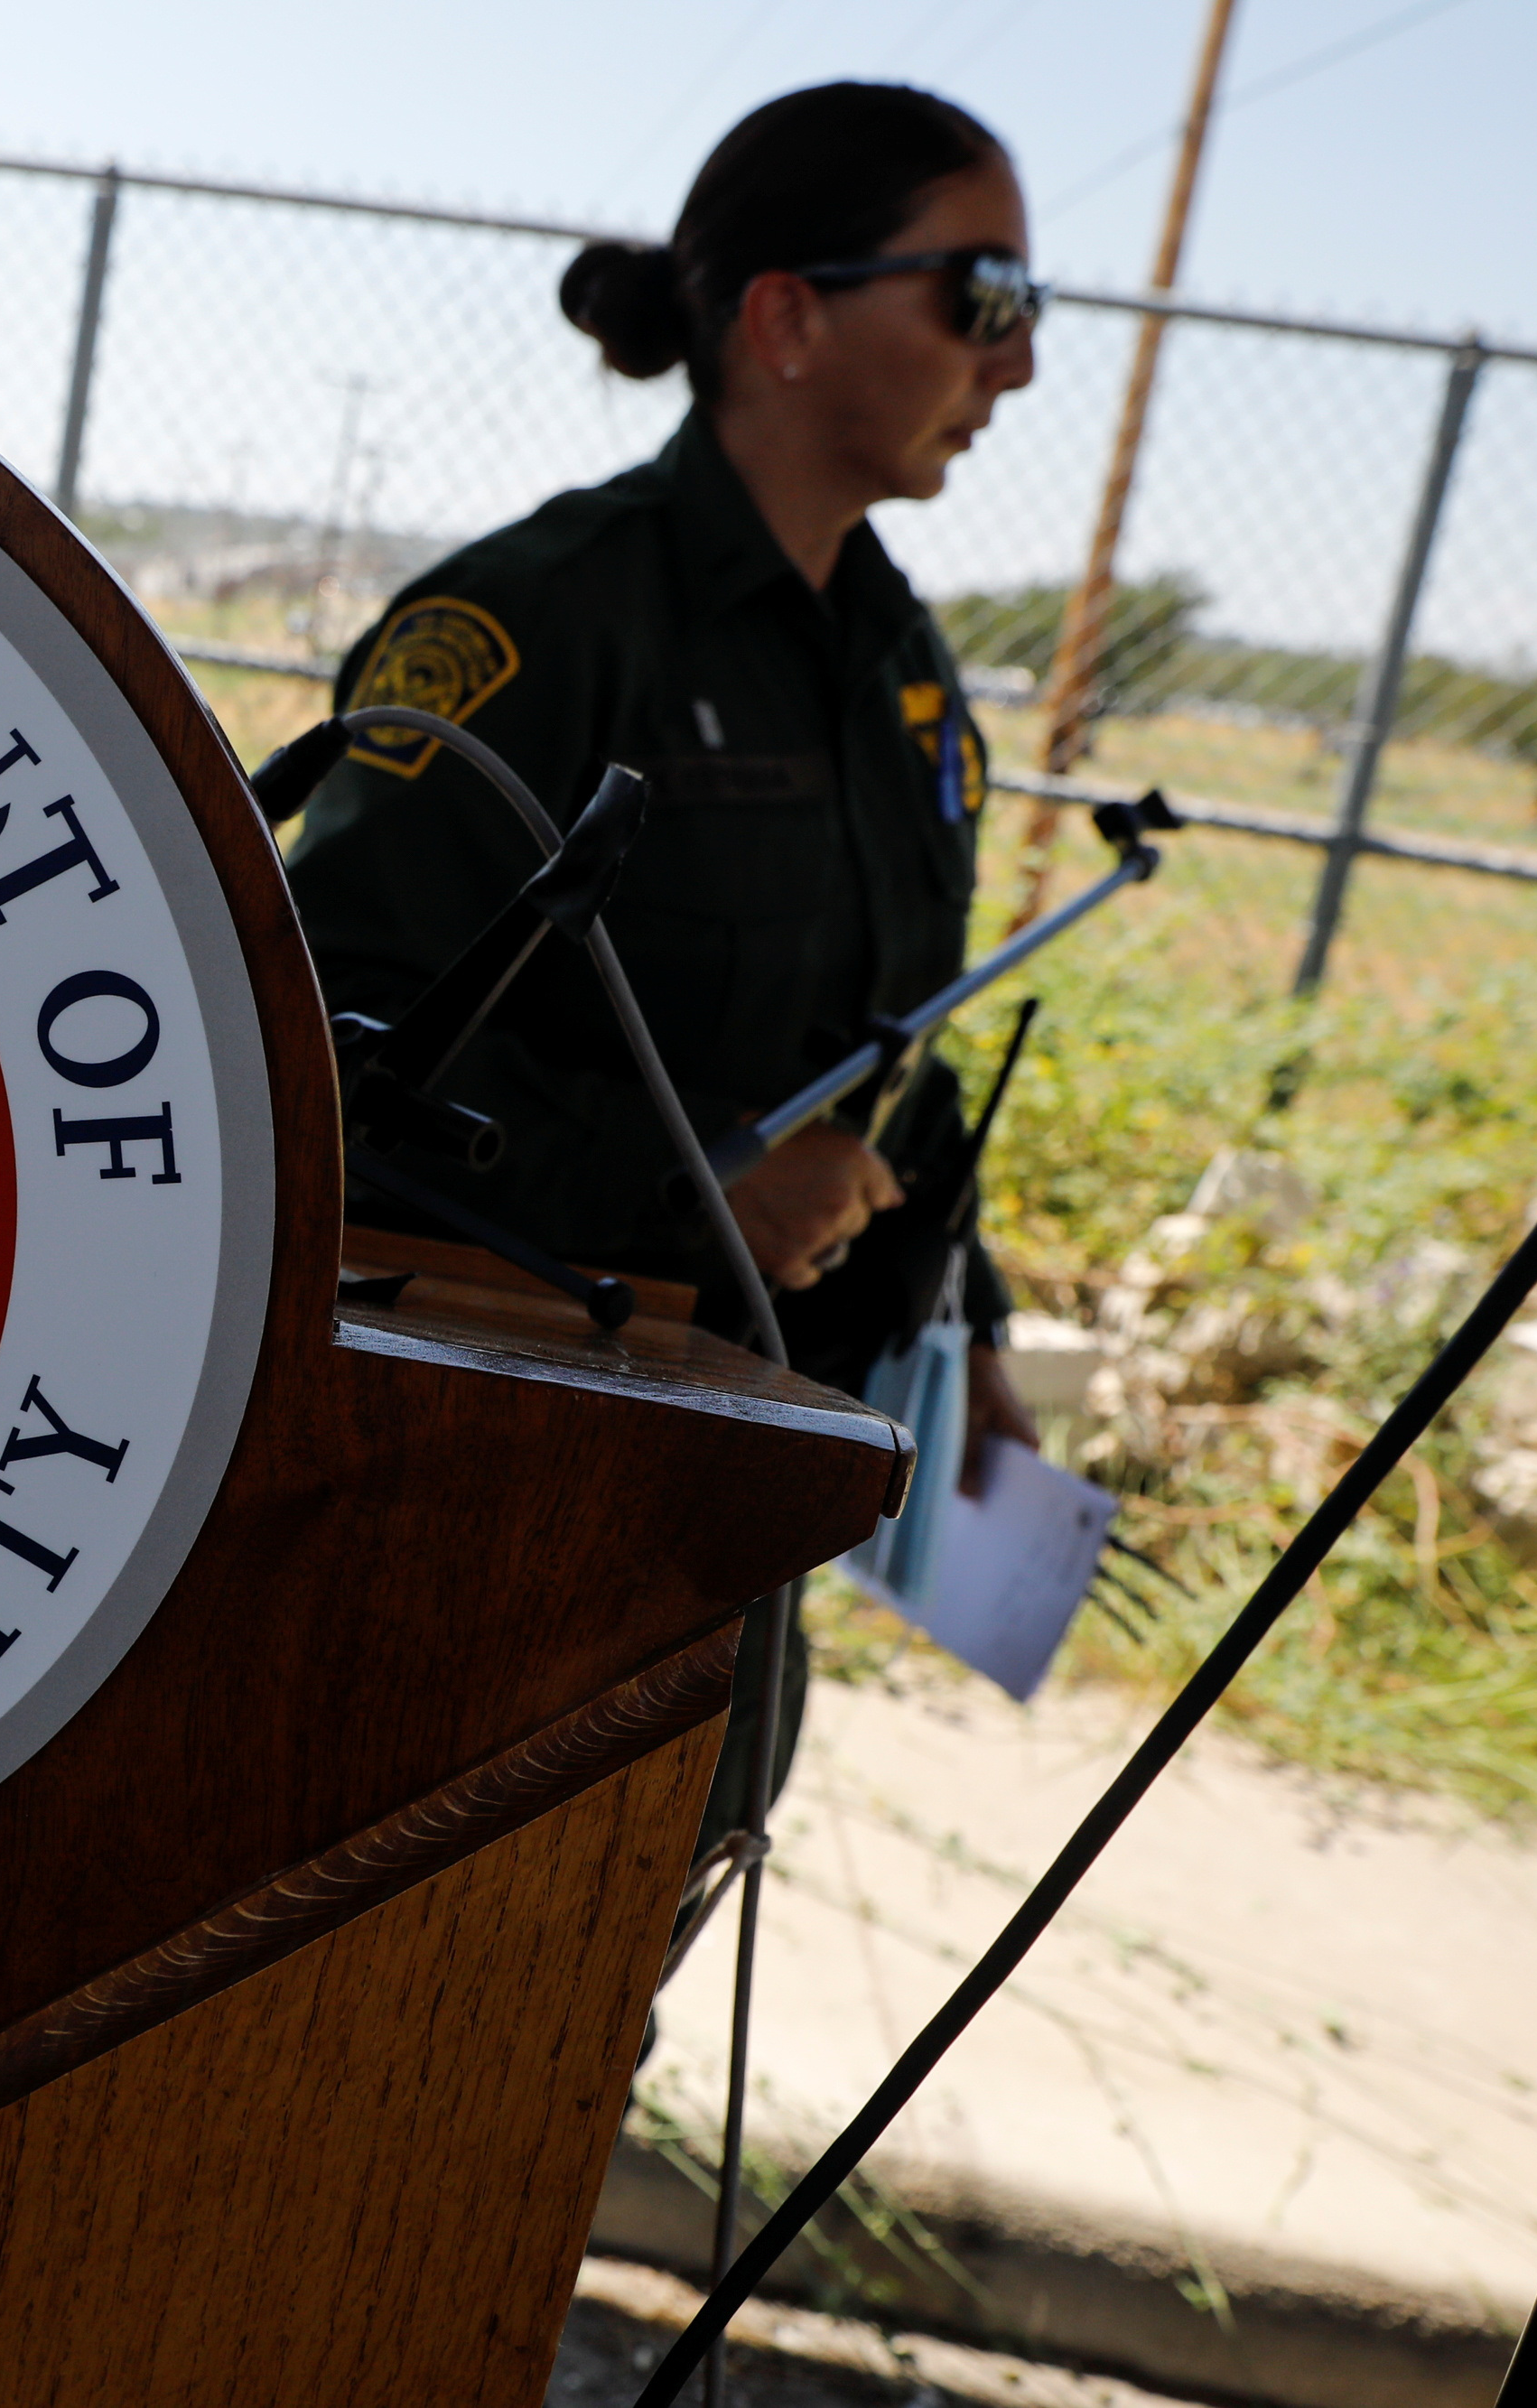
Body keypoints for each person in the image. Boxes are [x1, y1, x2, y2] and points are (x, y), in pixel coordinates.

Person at [284, 80, 1046, 1842]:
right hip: (509, 1466)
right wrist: (690, 1174)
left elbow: (878, 1047)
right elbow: (318, 1038)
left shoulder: (888, 653)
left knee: (664, 1895)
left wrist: (962, 1313)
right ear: (784, 316)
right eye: (980, 299)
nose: (1010, 363)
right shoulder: (542, 620)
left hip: (748, 1459)